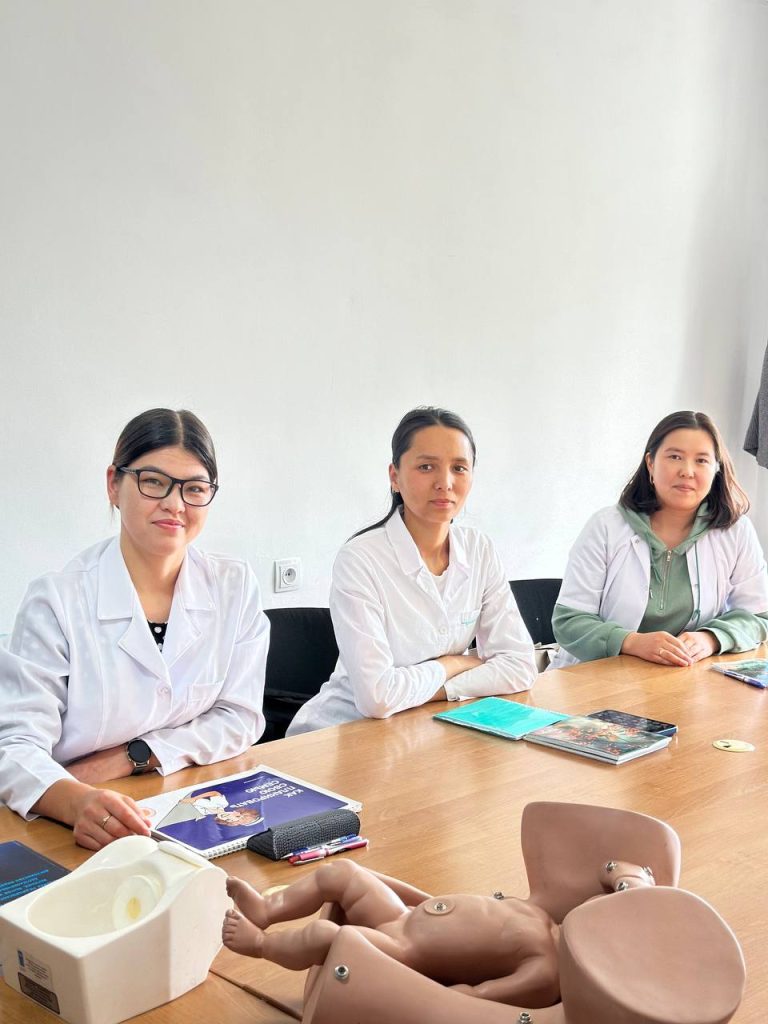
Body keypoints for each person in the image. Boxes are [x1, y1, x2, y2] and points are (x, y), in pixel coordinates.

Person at [0, 408, 269, 849]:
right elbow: (14, 746)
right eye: (153, 482)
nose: (175, 504)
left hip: (182, 801)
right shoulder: (57, 600)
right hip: (68, 821)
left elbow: (240, 716)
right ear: (114, 485)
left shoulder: (233, 586)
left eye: (194, 488)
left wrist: (133, 756)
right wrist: (77, 802)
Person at [287, 407, 536, 735]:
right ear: (395, 477)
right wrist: (454, 663)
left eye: (459, 468)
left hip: (430, 725)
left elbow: (520, 666)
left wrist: (440, 689)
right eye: (426, 467)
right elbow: (376, 698)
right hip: (345, 731)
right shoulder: (361, 558)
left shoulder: (479, 549)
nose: (445, 483)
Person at [220, 857, 654, 1007]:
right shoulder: (547, 918)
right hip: (405, 914)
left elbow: (474, 1000)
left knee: (327, 937)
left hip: (402, 951)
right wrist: (633, 886)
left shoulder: (546, 973)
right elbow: (620, 869)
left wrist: (428, 994)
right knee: (342, 873)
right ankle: (267, 909)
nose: (595, 909)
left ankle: (261, 945)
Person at [551, 410, 768, 669]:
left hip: (686, 678)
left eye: (701, 460)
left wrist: (711, 638)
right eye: (675, 457)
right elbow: (569, 621)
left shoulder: (735, 531)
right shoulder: (606, 526)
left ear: (716, 470)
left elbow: (759, 617)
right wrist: (630, 642)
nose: (687, 471)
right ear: (650, 463)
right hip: (601, 676)